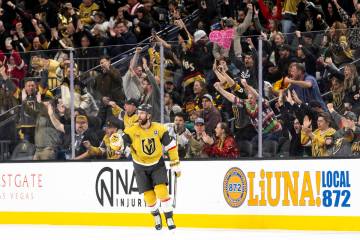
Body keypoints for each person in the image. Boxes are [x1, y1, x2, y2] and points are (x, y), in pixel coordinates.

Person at [122, 104, 181, 230]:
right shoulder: (132, 130)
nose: (139, 115)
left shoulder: (159, 129)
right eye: (138, 113)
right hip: (140, 166)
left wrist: (175, 163)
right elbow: (122, 143)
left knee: (161, 190)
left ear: (149, 115)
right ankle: (156, 216)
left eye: (142, 113)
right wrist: (117, 144)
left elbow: (171, 146)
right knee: (149, 197)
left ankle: (169, 217)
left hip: (157, 164)